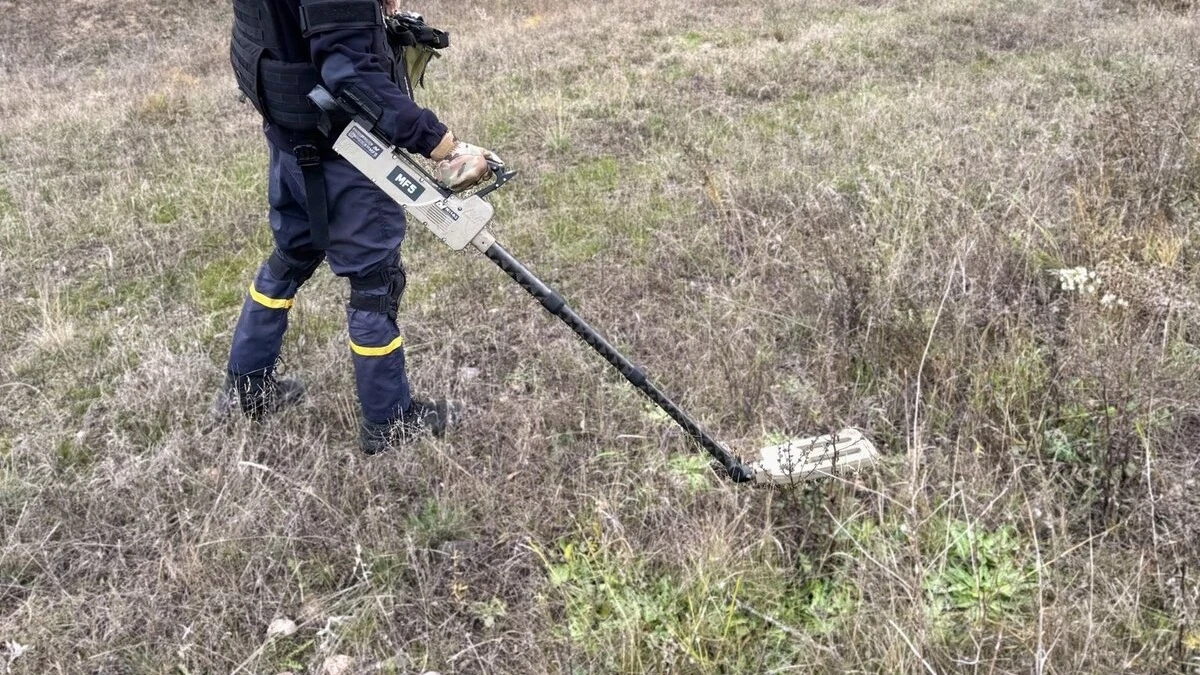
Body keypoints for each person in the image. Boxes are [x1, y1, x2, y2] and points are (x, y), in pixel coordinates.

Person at [215, 0, 500, 454]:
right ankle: (389, 422)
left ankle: (245, 389)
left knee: (290, 258)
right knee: (374, 285)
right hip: (343, 153)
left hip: (291, 138)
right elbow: (351, 76)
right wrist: (442, 146)